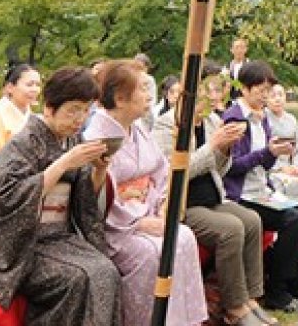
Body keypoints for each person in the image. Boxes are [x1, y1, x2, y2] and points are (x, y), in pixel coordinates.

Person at [0, 66, 119, 326]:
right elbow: (1, 200)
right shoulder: (24, 143)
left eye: (86, 110)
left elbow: (84, 201)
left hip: (59, 238)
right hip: (18, 245)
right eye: (73, 110)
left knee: (107, 271)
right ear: (50, 107)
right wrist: (63, 164)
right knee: (76, 278)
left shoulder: (73, 141)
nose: (80, 118)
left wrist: (100, 170)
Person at [83, 60, 207, 326]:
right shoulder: (97, 134)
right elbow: (99, 191)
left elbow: (161, 171)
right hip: (115, 227)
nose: (149, 95)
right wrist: (137, 221)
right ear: (119, 97)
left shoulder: (138, 128)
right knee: (148, 253)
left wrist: (163, 207)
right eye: (141, 88)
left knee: (183, 237)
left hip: (149, 212)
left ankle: (183, 322)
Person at [155, 73, 275, 326]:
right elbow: (174, 172)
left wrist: (226, 148)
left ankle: (252, 298)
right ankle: (234, 308)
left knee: (252, 220)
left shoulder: (211, 120)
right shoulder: (167, 125)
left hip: (212, 197)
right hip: (183, 204)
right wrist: (212, 147)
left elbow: (219, 170)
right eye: (205, 94)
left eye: (213, 94)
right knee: (230, 229)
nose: (211, 100)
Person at [222, 61, 298, 313]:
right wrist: (266, 151)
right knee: (290, 219)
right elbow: (231, 167)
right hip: (240, 195)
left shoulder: (261, 117)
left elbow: (263, 164)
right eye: (260, 90)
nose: (265, 96)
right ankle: (277, 289)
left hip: (261, 190)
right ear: (244, 89)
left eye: (268, 90)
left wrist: (274, 152)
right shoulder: (234, 119)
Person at [263, 84, 298, 208]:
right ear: (266, 99)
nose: (277, 99)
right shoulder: (263, 119)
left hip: (290, 165)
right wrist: (280, 168)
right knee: (280, 182)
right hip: (271, 168)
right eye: (273, 96)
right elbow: (261, 149)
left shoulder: (291, 119)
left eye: (281, 95)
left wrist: (296, 165)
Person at [0, 64, 41, 149]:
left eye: (38, 85)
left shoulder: (34, 117)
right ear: (10, 87)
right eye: (29, 85)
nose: (35, 90)